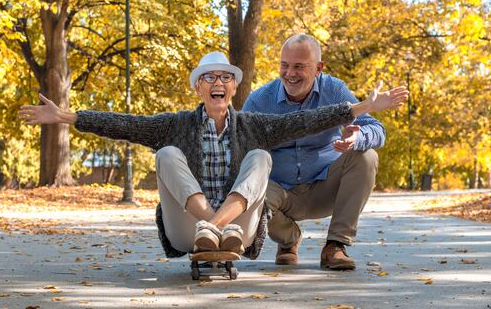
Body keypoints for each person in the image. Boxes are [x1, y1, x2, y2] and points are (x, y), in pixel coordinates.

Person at [20, 51, 407, 260]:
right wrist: (67, 116)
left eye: (225, 78)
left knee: (260, 157)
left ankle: (220, 227)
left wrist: (358, 108)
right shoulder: (175, 124)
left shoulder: (255, 124)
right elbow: (125, 124)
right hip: (188, 228)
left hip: (241, 230)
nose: (217, 83)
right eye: (209, 78)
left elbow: (309, 120)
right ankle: (211, 225)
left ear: (234, 89)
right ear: (198, 89)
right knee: (167, 153)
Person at [243, 33, 392, 270]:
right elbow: (242, 153)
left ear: (318, 68)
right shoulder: (259, 100)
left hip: (325, 186)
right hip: (279, 191)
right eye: (285, 65)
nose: (290, 73)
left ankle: (335, 246)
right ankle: (289, 239)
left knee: (367, 156)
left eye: (299, 66)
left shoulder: (334, 90)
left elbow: (377, 129)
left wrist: (358, 137)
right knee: (246, 191)